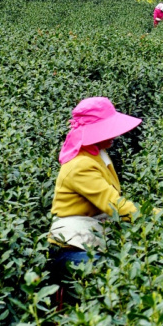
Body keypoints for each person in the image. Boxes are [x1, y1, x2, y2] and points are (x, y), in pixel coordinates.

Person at [48, 97, 143, 269]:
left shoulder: (98, 155)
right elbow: (114, 205)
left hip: (89, 239)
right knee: (117, 270)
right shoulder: (81, 165)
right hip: (71, 248)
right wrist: (155, 217)